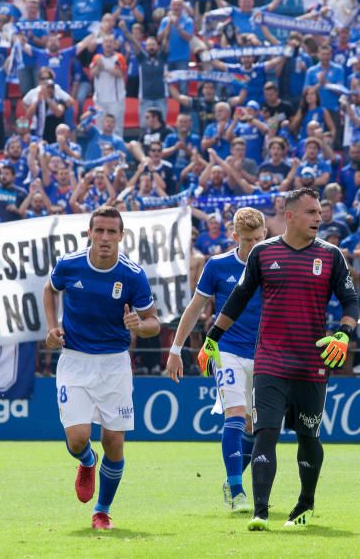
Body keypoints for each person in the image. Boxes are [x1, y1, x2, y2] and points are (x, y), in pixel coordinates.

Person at [199, 188, 360, 531]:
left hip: (311, 363)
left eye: (319, 212)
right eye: (311, 213)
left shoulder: (332, 256)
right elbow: (238, 298)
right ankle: (259, 511)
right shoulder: (263, 253)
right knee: (264, 433)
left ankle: (304, 505)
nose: (319, 218)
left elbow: (351, 300)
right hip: (270, 362)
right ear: (289, 216)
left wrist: (344, 333)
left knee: (307, 437)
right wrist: (211, 339)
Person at [43, 206, 160, 531]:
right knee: (79, 439)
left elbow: (154, 322)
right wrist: (52, 328)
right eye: (99, 231)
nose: (105, 238)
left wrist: (139, 324)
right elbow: (49, 290)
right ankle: (86, 462)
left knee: (114, 442)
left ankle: (102, 511)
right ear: (90, 233)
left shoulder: (132, 274)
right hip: (75, 360)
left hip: (114, 364)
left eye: (112, 232)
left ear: (121, 236)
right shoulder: (69, 264)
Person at [166, 208, 267, 513]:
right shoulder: (218, 266)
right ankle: (237, 490)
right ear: (235, 237)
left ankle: (231, 479)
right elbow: (195, 308)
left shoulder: (273, 262)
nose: (253, 245)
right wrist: (175, 349)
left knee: (255, 426)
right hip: (228, 351)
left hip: (265, 354)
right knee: (235, 415)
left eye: (258, 238)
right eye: (247, 239)